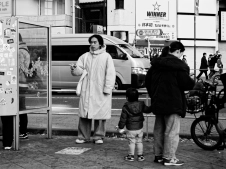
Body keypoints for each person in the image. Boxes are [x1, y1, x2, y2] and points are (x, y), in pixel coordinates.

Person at [145, 42, 195, 166]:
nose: (182, 56)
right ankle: (169, 157)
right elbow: (187, 84)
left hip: (158, 101)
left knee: (159, 129)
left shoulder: (156, 65)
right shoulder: (178, 66)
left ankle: (159, 156)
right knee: (172, 131)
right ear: (178, 51)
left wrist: (154, 95)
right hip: (173, 102)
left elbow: (147, 81)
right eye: (182, 53)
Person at [71, 34, 116, 144]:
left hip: (100, 90)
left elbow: (110, 74)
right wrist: (74, 68)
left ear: (100, 43)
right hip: (87, 88)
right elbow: (79, 71)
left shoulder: (106, 57)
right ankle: (82, 136)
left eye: (95, 42)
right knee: (85, 114)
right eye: (91, 42)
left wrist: (107, 88)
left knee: (100, 115)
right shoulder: (85, 56)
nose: (92, 44)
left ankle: (98, 136)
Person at [117, 88, 152, 162]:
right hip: (139, 127)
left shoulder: (126, 107)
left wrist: (120, 127)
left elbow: (123, 119)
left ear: (127, 97)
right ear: (138, 97)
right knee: (139, 141)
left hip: (130, 128)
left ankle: (131, 156)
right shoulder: (141, 104)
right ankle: (140, 156)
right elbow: (147, 110)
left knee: (131, 142)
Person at [19, 33, 30, 139]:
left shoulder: (19, 51)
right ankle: (23, 131)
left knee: (20, 108)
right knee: (21, 108)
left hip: (19, 83)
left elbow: (19, 68)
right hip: (22, 82)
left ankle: (23, 131)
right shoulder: (24, 49)